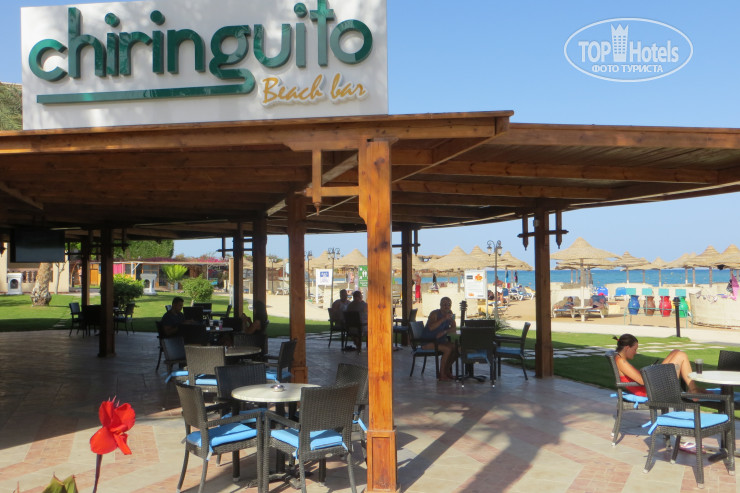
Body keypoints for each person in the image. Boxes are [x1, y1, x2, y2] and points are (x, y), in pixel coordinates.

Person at [614, 333, 708, 396]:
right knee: (681, 355)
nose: (636, 352)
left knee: (676, 352)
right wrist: (652, 371)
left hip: (652, 386)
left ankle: (693, 389)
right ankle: (694, 390)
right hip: (652, 392)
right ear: (627, 348)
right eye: (634, 349)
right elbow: (643, 381)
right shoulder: (621, 362)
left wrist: (652, 369)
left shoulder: (619, 359)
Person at [422, 297, 458, 381]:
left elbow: (454, 329)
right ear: (440, 305)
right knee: (447, 349)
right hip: (428, 341)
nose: (447, 306)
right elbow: (431, 327)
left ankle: (446, 371)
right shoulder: (434, 314)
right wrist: (444, 318)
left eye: (449, 304)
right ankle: (441, 375)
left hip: (439, 341)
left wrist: (445, 331)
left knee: (456, 348)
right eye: (444, 304)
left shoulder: (450, 313)